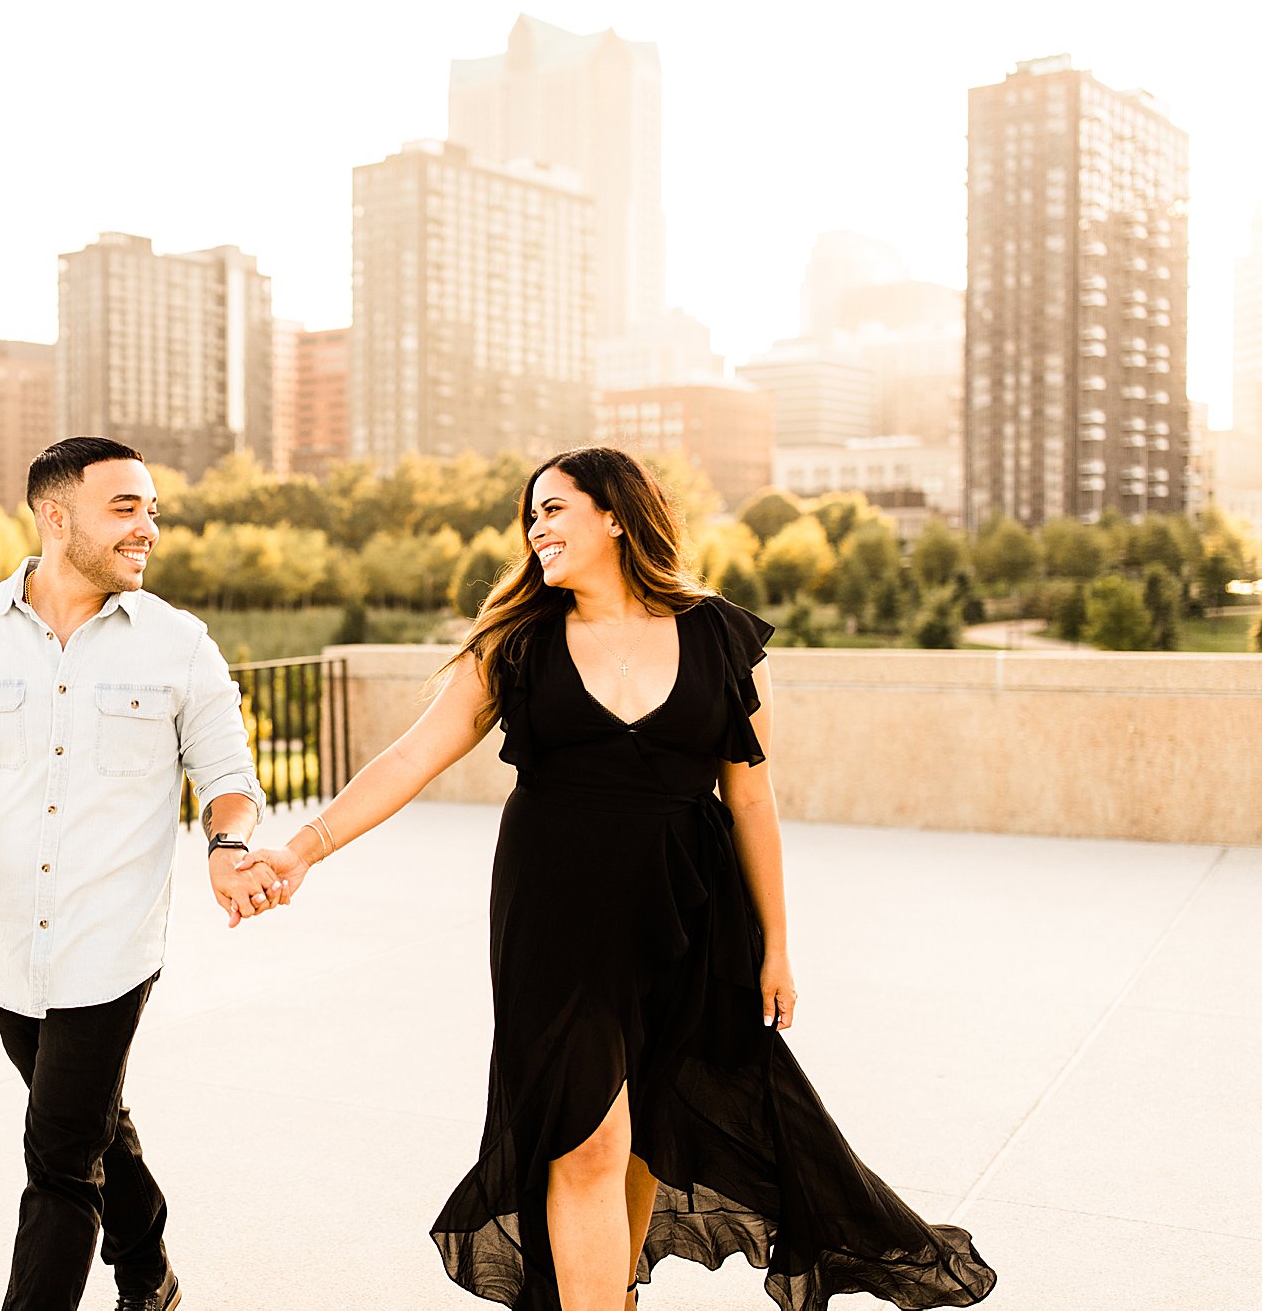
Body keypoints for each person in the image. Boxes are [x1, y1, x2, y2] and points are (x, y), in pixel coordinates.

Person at [245, 447, 996, 1311]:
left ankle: (614, 1295)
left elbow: (751, 799)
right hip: (556, 913)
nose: (535, 528)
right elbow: (412, 754)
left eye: (554, 509)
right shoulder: (517, 643)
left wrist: (778, 944)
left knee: (651, 1127)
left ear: (615, 515)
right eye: (530, 515)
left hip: (691, 908)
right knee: (586, 1139)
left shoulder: (721, 636)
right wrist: (302, 848)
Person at [0, 436, 280, 1311]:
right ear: (55, 516)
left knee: (60, 1160)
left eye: (153, 510)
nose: (149, 527)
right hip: (10, 954)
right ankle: (151, 1273)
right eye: (126, 508)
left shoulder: (180, 644)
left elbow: (229, 780)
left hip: (114, 951)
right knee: (96, 1124)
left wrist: (225, 849)